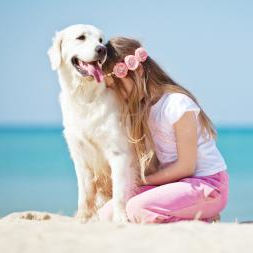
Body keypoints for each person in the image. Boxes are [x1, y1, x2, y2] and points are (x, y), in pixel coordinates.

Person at [97, 37, 229, 224]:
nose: (115, 94)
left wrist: (143, 181)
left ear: (138, 70)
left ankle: (205, 216)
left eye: (115, 86)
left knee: (138, 209)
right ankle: (182, 213)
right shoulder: (143, 108)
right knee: (108, 213)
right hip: (174, 185)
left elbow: (186, 167)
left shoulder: (177, 105)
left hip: (207, 185)